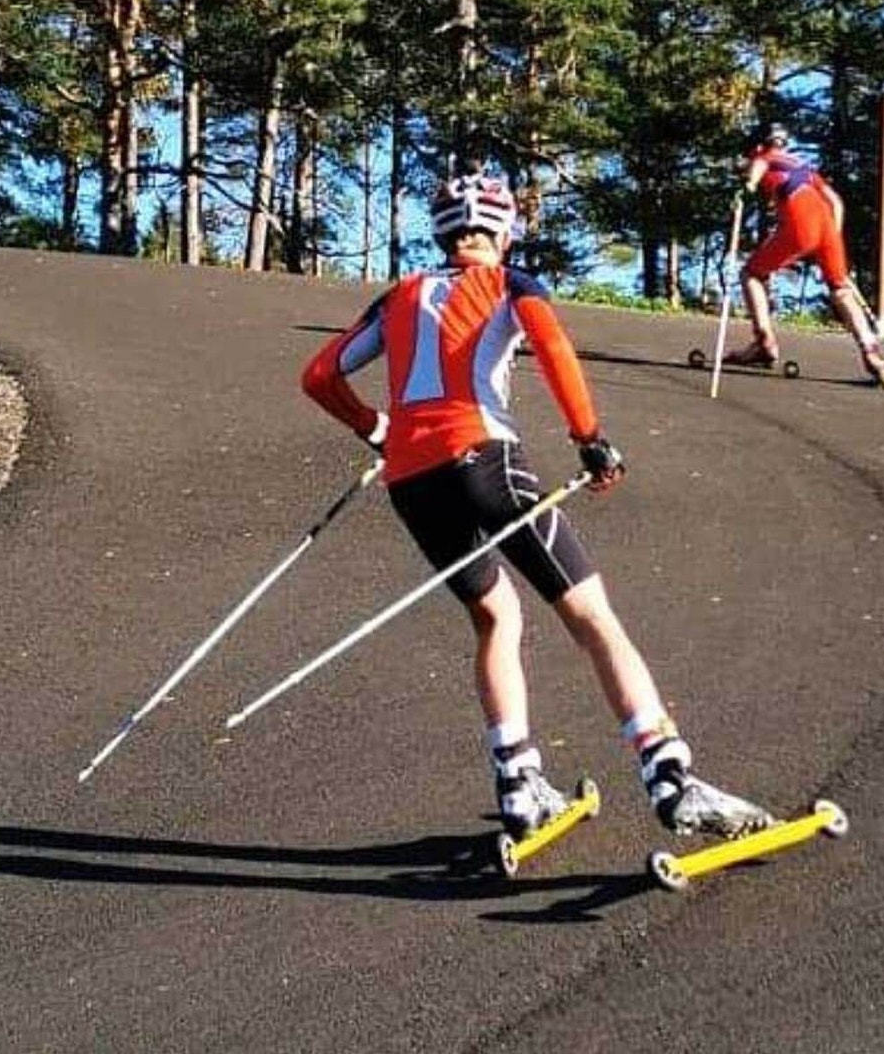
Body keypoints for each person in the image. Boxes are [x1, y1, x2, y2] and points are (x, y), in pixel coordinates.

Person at [302, 171, 770, 840]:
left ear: (442, 233)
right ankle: (671, 776)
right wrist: (590, 439)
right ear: (505, 233)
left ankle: (519, 782)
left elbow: (319, 375)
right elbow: (551, 345)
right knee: (591, 615)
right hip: (486, 458)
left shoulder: (399, 295)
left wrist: (376, 428)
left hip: (411, 479)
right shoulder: (509, 283)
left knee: (496, 617)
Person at [725, 125, 884, 388]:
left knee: (752, 273)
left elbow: (758, 167)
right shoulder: (804, 167)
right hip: (828, 227)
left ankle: (763, 342)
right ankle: (872, 351)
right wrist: (828, 244)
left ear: (759, 146)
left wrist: (747, 186)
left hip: (801, 224)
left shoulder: (763, 157)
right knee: (841, 289)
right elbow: (836, 202)